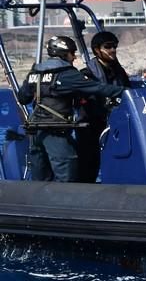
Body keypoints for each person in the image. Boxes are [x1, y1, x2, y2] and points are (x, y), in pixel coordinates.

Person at [17, 36, 125, 182]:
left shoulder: (35, 73)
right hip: (55, 132)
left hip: (36, 133)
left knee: (41, 178)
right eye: (72, 53)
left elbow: (23, 98)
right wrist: (123, 92)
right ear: (63, 53)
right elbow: (97, 88)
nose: (74, 57)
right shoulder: (67, 74)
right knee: (68, 173)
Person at [76, 31, 131, 183]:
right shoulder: (86, 74)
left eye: (114, 47)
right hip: (92, 125)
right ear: (96, 50)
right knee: (89, 165)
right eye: (108, 47)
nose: (113, 50)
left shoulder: (119, 72)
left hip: (116, 124)